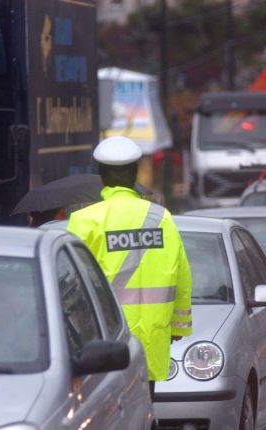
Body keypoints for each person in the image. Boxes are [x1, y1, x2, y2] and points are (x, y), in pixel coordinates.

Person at [67, 136, 192, 399]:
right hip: (151, 336)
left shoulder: (84, 220)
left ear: (101, 175)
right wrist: (178, 328)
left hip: (103, 341)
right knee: (144, 409)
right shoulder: (162, 218)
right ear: (135, 173)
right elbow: (181, 276)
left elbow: (71, 284)